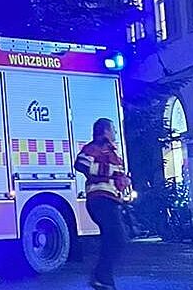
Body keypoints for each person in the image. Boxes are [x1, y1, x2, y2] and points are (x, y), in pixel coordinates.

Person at [75, 118, 131, 290]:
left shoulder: (112, 150)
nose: (114, 131)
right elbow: (81, 164)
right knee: (117, 237)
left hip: (111, 200)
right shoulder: (96, 147)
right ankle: (101, 277)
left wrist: (123, 182)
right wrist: (113, 174)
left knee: (114, 238)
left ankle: (104, 280)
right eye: (113, 128)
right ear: (105, 130)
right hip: (100, 199)